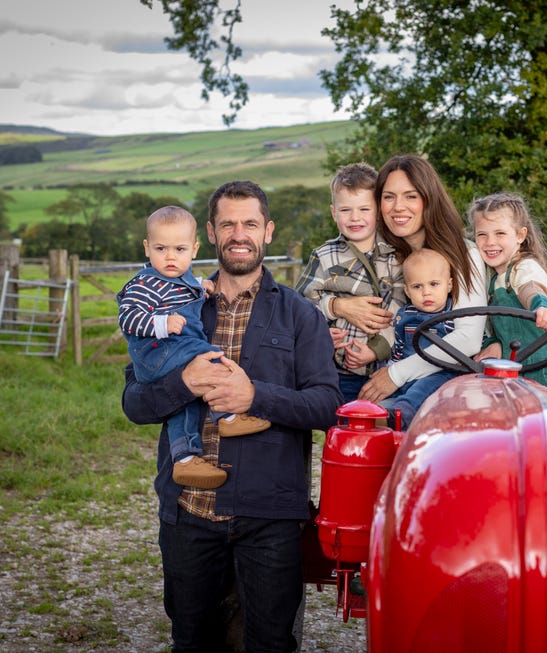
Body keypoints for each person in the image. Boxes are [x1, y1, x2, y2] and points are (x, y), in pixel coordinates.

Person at [121, 182, 342, 652]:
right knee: (193, 640)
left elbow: (326, 406)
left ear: (268, 231)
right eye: (228, 224)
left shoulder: (301, 315)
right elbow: (134, 403)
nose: (239, 234)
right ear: (210, 233)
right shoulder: (178, 306)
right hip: (188, 513)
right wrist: (184, 384)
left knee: (269, 643)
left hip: (270, 517)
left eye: (250, 224)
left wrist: (253, 396)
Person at [117, 206, 271, 489]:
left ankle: (185, 458)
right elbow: (126, 317)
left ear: (195, 250)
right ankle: (227, 415)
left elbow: (182, 290)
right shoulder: (145, 283)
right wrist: (161, 324)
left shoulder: (180, 281)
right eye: (161, 248)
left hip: (169, 353)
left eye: (179, 249)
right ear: (146, 248)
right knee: (210, 357)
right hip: (157, 351)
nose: (171, 257)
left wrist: (203, 287)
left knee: (184, 402)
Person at [350, 154, 488, 404]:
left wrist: (395, 375)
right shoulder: (385, 255)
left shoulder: (463, 255)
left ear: (429, 199)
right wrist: (340, 306)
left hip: (447, 383)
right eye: (388, 197)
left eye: (410, 196)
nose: (398, 207)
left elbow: (467, 340)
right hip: (380, 370)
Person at [295, 162, 406, 403]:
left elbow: (402, 308)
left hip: (386, 369)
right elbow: (302, 303)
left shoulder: (396, 255)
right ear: (334, 212)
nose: (355, 218)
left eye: (364, 209)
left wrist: (376, 350)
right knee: (343, 427)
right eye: (345, 210)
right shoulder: (324, 255)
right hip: (338, 371)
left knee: (385, 428)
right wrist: (324, 328)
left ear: (378, 212)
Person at [469, 192, 547, 398]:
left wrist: (541, 307)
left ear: (520, 235)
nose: (489, 242)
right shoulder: (494, 281)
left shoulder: (524, 267)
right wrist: (492, 344)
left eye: (500, 233)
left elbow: (531, 288)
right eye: (482, 235)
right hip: (517, 375)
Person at [381, 248, 461, 428]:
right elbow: (398, 348)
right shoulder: (404, 316)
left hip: (440, 375)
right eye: (418, 286)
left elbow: (470, 347)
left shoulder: (454, 315)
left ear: (449, 285)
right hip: (408, 374)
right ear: (407, 291)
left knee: (425, 386)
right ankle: (368, 415)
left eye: (434, 284)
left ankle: (403, 415)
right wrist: (390, 369)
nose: (426, 292)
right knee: (382, 387)